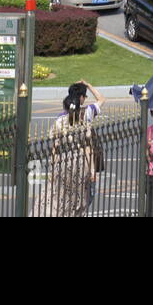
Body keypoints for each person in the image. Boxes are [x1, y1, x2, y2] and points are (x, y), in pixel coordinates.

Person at [36, 91, 95, 217]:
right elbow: (88, 149)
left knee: (57, 199)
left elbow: (55, 147)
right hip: (80, 165)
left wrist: (52, 168)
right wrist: (92, 169)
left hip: (62, 164)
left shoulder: (59, 123)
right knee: (77, 200)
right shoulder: (83, 124)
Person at [64, 80, 104, 208]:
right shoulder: (88, 111)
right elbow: (101, 99)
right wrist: (88, 85)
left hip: (68, 161)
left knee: (69, 199)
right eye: (85, 96)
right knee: (87, 197)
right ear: (81, 97)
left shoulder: (63, 115)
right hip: (86, 161)